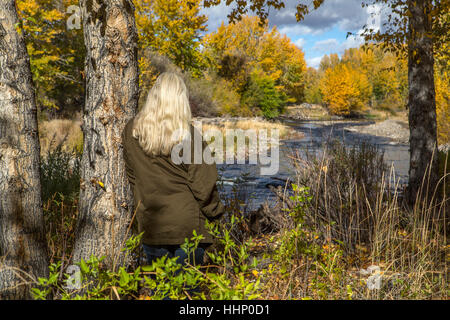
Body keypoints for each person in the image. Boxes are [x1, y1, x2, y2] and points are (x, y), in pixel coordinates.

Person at [121, 72, 224, 271]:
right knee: (187, 290)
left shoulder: (131, 132)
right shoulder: (190, 135)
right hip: (188, 227)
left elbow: (132, 177)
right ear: (180, 101)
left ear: (153, 97)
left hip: (151, 224)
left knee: (162, 289)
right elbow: (204, 186)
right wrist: (217, 216)